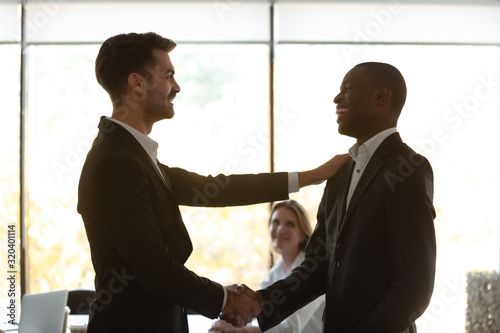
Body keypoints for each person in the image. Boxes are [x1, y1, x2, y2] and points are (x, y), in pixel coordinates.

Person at [77, 32, 349, 333]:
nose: (176, 87)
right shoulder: (115, 162)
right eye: (168, 76)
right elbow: (155, 270)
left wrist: (310, 176)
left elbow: (218, 189)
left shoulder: (134, 155)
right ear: (137, 84)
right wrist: (226, 300)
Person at [251, 62, 437, 332]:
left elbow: (414, 286)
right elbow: (317, 265)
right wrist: (260, 302)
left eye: (347, 89)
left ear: (381, 96)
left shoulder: (409, 168)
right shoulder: (339, 173)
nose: (337, 98)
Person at [209, 200, 325, 333]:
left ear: (303, 235)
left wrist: (240, 330)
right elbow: (257, 314)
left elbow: (291, 328)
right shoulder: (274, 273)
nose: (280, 229)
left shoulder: (313, 272)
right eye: (275, 222)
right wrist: (231, 321)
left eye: (290, 224)